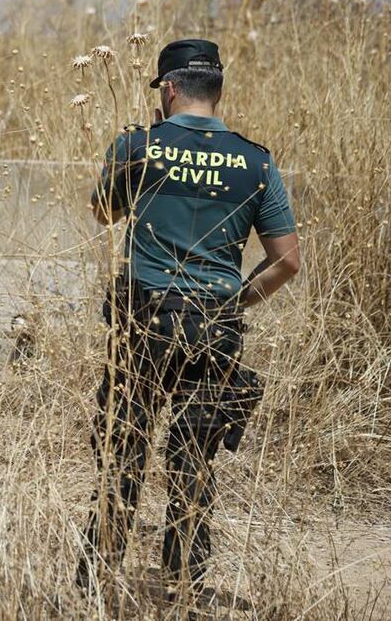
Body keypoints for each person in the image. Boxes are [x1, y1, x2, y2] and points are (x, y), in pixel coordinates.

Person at [78, 39, 301, 603]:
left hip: (143, 321)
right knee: (194, 466)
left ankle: (94, 589)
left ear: (170, 89)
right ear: (216, 91)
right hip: (215, 323)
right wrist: (234, 304)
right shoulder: (255, 161)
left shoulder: (138, 145)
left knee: (123, 455)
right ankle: (185, 593)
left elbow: (104, 212)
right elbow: (287, 262)